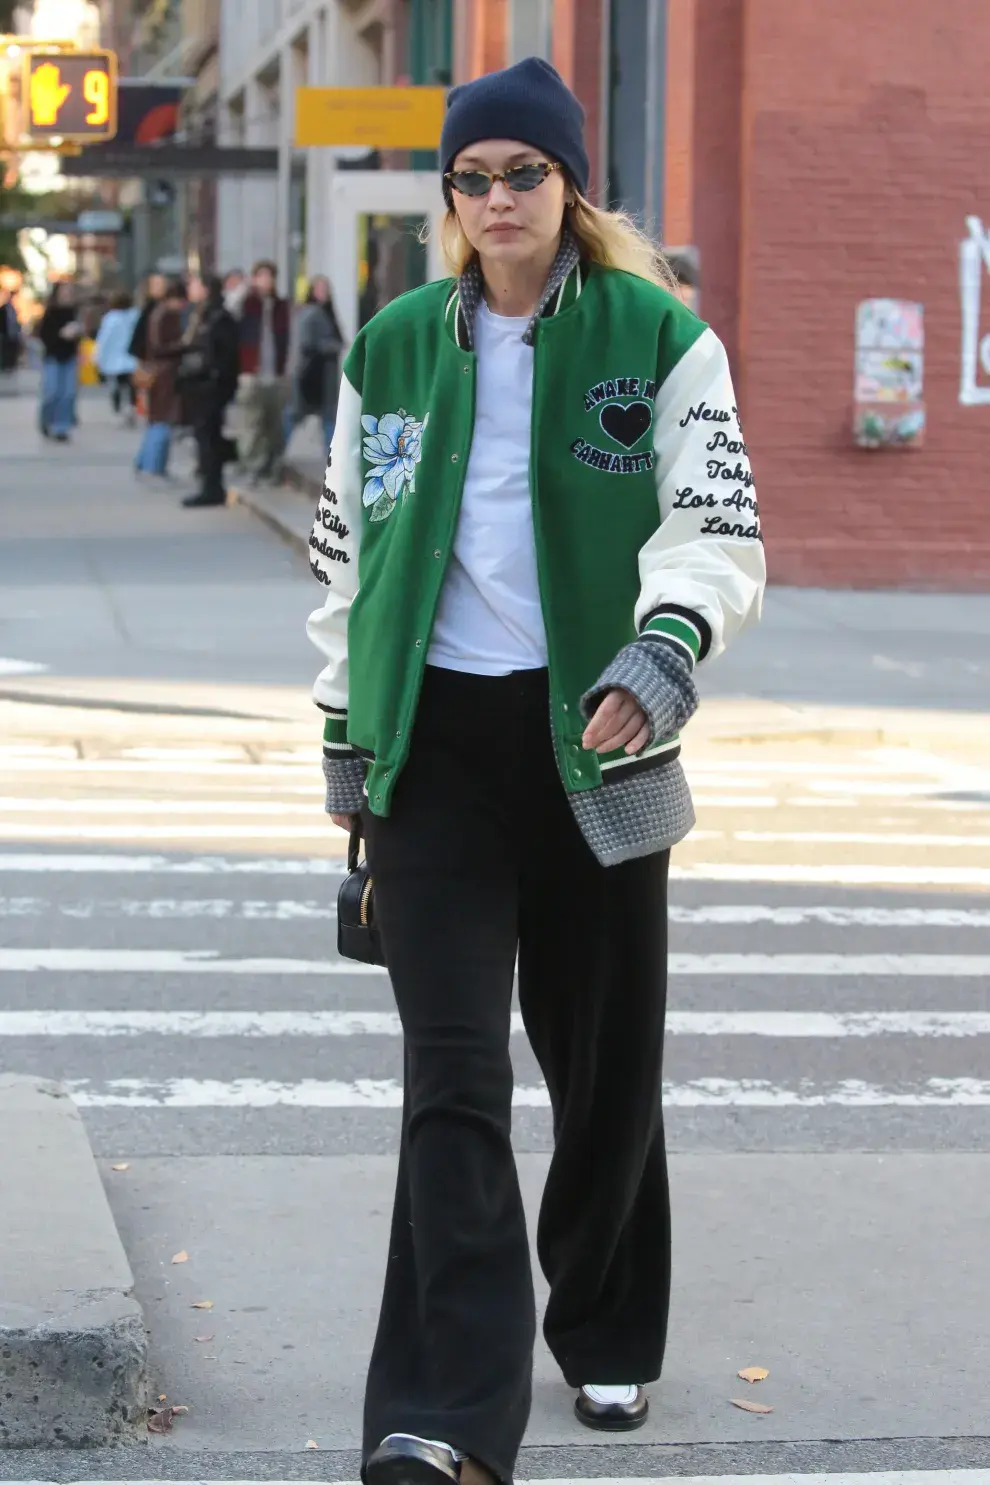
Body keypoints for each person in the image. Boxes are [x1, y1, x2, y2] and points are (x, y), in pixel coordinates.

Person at [306, 56, 766, 1485]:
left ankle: (610, 1321)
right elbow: (346, 555)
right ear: (449, 196)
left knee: (602, 1066)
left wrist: (666, 644)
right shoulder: (389, 346)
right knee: (448, 1077)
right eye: (473, 176)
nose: (497, 198)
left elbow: (716, 522)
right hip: (433, 749)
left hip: (596, 741)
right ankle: (445, 1408)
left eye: (524, 173)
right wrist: (344, 723)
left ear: (569, 187)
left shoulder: (653, 333)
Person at [177, 273, 240, 508]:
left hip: (210, 387)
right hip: (199, 386)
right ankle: (210, 483)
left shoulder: (218, 317)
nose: (189, 288)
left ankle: (212, 487)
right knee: (205, 437)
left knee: (209, 437)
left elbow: (220, 355)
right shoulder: (198, 314)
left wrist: (212, 379)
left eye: (194, 284)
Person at [237, 259, 290, 481]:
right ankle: (253, 466)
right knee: (251, 423)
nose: (266, 281)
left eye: (269, 276)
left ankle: (272, 464)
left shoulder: (280, 305)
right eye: (261, 276)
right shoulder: (247, 303)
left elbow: (289, 337)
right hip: (251, 373)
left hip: (276, 374)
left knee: (274, 424)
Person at [285, 274, 344, 454]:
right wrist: (332, 346)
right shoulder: (311, 313)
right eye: (320, 289)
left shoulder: (324, 313)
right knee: (301, 414)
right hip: (313, 373)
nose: (324, 293)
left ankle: (331, 454)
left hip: (322, 374)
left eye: (326, 289)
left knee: (324, 416)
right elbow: (307, 343)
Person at [134, 278, 187, 477]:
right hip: (164, 374)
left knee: (156, 420)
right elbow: (160, 346)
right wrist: (183, 345)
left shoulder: (157, 313)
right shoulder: (166, 315)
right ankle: (154, 464)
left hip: (156, 372)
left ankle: (145, 460)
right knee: (162, 420)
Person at [37, 281, 82, 441]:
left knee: (68, 393)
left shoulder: (74, 312)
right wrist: (61, 334)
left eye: (70, 291)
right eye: (64, 291)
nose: (67, 294)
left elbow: (80, 336)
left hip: (70, 357)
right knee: (52, 392)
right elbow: (43, 335)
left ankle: (61, 427)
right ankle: (46, 419)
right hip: (53, 357)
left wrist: (77, 334)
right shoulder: (51, 312)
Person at [94, 289, 140, 423]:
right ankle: (131, 408)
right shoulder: (135, 316)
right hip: (131, 357)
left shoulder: (111, 318)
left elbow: (104, 339)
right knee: (132, 385)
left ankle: (119, 408)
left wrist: (98, 357)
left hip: (115, 359)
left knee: (118, 385)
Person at [0, 287, 22, 383]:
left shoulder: (14, 309)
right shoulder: (3, 309)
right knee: (5, 350)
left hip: (13, 335)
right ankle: (5, 366)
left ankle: (11, 366)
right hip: (5, 335)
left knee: (13, 350)